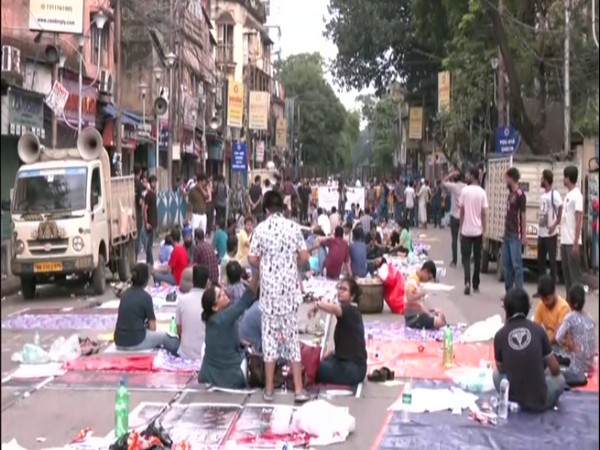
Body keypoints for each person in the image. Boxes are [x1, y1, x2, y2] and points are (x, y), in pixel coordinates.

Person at [248, 190, 310, 403]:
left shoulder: (260, 229)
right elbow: (303, 256)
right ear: (282, 208)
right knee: (292, 340)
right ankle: (299, 389)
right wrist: (291, 264)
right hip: (290, 295)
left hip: (269, 295)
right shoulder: (294, 228)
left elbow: (252, 258)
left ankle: (269, 390)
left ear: (266, 209)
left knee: (269, 340)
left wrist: (266, 263)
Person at [493, 287, 566, 411]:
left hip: (514, 398)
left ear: (506, 310)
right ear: (528, 308)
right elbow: (555, 369)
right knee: (559, 380)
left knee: (496, 375)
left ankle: (510, 398)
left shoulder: (500, 335)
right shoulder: (539, 331)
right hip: (540, 401)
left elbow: (501, 369)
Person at [198, 271, 260, 389]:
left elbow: (224, 341)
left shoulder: (212, 320)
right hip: (229, 379)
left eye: (222, 291)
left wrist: (241, 343)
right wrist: (257, 274)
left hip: (207, 375)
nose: (224, 294)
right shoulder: (224, 317)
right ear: (215, 307)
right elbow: (245, 301)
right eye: (220, 295)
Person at [310, 277, 367, 386]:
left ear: (352, 296)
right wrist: (333, 353)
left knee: (312, 366)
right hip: (347, 364)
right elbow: (351, 343)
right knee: (319, 362)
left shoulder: (350, 310)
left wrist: (318, 305)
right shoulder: (350, 312)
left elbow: (335, 309)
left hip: (352, 370)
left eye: (344, 289)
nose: (340, 291)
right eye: (339, 288)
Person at [114, 263, 169, 351]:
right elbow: (152, 327)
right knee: (165, 336)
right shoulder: (146, 297)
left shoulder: (124, 294)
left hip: (119, 341)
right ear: (146, 279)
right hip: (136, 341)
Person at [169, 265, 210, 359]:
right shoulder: (212, 302)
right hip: (207, 354)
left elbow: (179, 329)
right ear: (207, 282)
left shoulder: (182, 300)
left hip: (185, 353)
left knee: (168, 340)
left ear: (193, 281)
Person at [458, 167, 488, 295]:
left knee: (465, 258)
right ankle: (476, 283)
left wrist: (460, 228)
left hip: (466, 230)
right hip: (477, 231)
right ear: (479, 177)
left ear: (472, 177)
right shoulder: (482, 192)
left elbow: (462, 211)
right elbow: (484, 213)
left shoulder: (465, 191)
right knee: (477, 258)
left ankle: (467, 282)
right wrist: (485, 230)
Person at [555, 285, 596, 375]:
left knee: (553, 354)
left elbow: (558, 337)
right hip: (589, 365)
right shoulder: (590, 318)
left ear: (569, 301)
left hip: (576, 366)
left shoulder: (570, 317)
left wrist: (568, 345)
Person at [560, 166, 584, 293]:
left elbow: (579, 218)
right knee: (567, 275)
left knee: (574, 275)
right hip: (564, 241)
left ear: (568, 178)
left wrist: (576, 242)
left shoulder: (577, 195)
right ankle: (569, 302)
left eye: (564, 177)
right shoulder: (568, 195)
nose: (563, 179)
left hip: (572, 242)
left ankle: (577, 303)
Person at [502, 167, 527, 292]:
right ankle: (509, 292)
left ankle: (519, 292)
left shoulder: (520, 195)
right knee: (506, 265)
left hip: (515, 235)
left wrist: (524, 235)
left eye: (506, 178)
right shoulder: (510, 194)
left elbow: (522, 215)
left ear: (511, 178)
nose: (505, 180)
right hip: (507, 234)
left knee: (517, 265)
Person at [404, 260, 446, 330]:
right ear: (425, 271)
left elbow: (418, 303)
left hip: (417, 314)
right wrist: (421, 293)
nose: (428, 280)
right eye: (429, 277)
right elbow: (409, 297)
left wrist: (430, 312)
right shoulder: (413, 281)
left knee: (441, 316)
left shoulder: (416, 279)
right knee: (440, 321)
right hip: (414, 318)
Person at [537, 169, 563, 283]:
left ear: (546, 180)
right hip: (541, 233)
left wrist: (555, 224)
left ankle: (552, 285)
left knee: (552, 261)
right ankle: (542, 286)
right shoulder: (543, 195)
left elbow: (561, 208)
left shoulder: (554, 194)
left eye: (542, 178)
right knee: (540, 261)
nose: (541, 180)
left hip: (550, 234)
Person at [533, 275, 570, 345]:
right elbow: (535, 327)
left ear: (554, 293)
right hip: (549, 340)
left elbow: (557, 335)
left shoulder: (563, 308)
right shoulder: (541, 305)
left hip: (562, 344)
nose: (545, 302)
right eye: (542, 299)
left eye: (547, 299)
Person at [442, 169, 466, 267]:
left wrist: (450, 174)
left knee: (454, 239)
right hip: (463, 216)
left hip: (454, 215)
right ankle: (464, 260)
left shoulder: (453, 186)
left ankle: (454, 261)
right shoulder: (466, 187)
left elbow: (443, 182)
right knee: (463, 239)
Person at [143, 175, 158, 266]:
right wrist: (146, 222)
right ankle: (150, 261)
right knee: (149, 244)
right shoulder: (149, 195)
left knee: (150, 244)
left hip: (154, 221)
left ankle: (149, 261)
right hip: (150, 222)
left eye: (155, 182)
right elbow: (145, 209)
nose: (154, 184)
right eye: (153, 182)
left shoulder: (153, 193)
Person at [134, 166, 145, 259]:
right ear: (140, 172)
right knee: (137, 237)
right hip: (137, 213)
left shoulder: (129, 182)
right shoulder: (139, 184)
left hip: (127, 213)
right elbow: (140, 202)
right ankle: (135, 258)